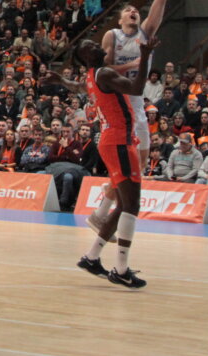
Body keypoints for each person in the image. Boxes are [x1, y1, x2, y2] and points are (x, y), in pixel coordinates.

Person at [89, 0, 188, 237]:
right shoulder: (113, 35)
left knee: (138, 170)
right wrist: (135, 61)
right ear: (120, 19)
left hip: (137, 104)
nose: (134, 12)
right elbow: (101, 71)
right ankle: (103, 215)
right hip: (118, 103)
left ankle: (99, 212)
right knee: (129, 170)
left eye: (136, 10)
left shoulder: (146, 33)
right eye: (129, 11)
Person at [46, 33, 158, 289]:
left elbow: (77, 87)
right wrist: (144, 58)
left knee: (123, 205)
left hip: (114, 140)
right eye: (91, 46)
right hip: (118, 141)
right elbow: (137, 89)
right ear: (85, 57)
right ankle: (121, 269)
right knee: (131, 206)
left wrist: (61, 80)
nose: (97, 45)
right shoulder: (104, 73)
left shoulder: (92, 76)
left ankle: (92, 257)